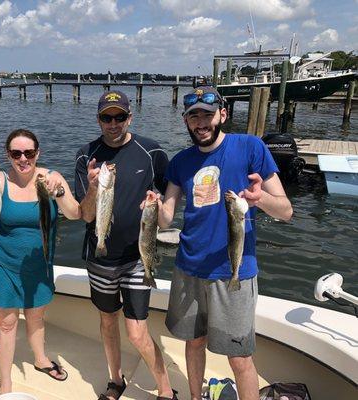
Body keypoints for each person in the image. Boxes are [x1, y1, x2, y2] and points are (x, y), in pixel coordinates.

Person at [149, 86, 293, 400]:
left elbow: (286, 211)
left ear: (223, 115)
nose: (201, 122)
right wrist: (155, 208)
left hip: (234, 272)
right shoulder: (181, 162)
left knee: (240, 357)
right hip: (188, 269)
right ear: (186, 121)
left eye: (207, 114)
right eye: (193, 116)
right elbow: (166, 219)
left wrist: (261, 199)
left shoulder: (250, 147)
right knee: (194, 342)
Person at [75, 91, 178, 400]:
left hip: (137, 257)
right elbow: (85, 215)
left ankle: (166, 390)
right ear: (98, 120)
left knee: (136, 331)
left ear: (130, 118)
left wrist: (157, 204)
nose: (113, 123)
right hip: (100, 257)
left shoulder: (152, 151)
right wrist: (93, 186)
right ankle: (115, 380)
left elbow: (169, 196)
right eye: (107, 117)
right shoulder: (87, 156)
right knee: (108, 322)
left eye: (120, 117)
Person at [0, 128, 81, 394]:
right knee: (7, 323)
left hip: (39, 265)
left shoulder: (51, 178)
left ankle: (40, 360)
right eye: (16, 153)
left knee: (37, 317)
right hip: (4, 263)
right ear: (9, 155)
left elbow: (74, 214)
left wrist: (60, 192)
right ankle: (6, 382)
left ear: (37, 153)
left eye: (29, 152)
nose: (23, 158)